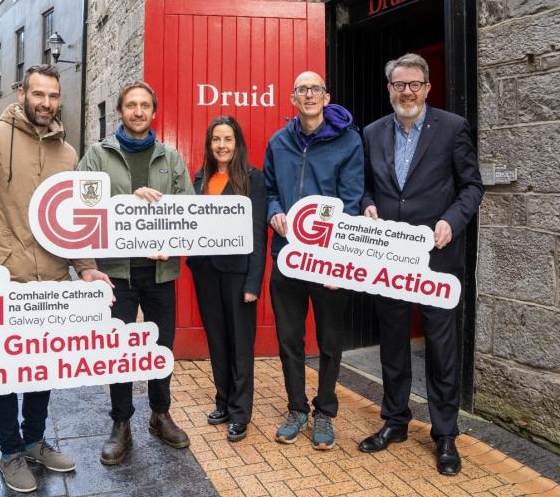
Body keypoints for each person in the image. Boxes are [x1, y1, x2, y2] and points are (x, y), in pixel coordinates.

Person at [0, 64, 112, 493]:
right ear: (22, 94)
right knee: (2, 369)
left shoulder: (68, 154)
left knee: (41, 365)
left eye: (53, 96)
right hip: (2, 277)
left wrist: (86, 268)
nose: (46, 103)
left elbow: (71, 222)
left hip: (50, 279)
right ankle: (10, 451)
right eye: (39, 95)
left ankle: (33, 440)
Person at [358, 53, 484, 475]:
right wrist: (369, 206)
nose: (406, 91)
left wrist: (451, 220)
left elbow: (471, 186)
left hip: (437, 258)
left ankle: (445, 434)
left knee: (442, 347)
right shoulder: (373, 132)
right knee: (393, 343)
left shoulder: (451, 128)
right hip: (390, 258)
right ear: (389, 88)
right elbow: (365, 189)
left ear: (427, 87)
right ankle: (394, 421)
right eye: (399, 84)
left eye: (414, 84)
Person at [78, 81, 194, 465]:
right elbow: (82, 208)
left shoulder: (171, 158)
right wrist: (128, 201)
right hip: (116, 271)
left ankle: (160, 415)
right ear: (121, 112)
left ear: (154, 112)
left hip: (160, 271)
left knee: (162, 346)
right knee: (119, 349)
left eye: (145, 105)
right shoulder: (97, 156)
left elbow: (187, 211)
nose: (138, 112)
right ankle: (121, 423)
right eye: (131, 105)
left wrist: (173, 245)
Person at [264, 71, 364, 450]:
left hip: (328, 261)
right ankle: (296, 409)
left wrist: (339, 259)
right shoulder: (278, 142)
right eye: (302, 89)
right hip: (287, 257)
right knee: (290, 338)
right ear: (293, 99)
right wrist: (274, 212)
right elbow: (270, 191)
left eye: (316, 89)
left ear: (326, 97)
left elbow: (352, 201)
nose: (309, 95)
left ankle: (325, 412)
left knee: (329, 340)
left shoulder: (349, 142)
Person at [186, 116, 267, 442]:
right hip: (206, 272)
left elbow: (259, 234)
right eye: (216, 139)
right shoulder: (200, 178)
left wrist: (253, 283)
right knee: (217, 341)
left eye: (228, 139)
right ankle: (222, 401)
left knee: (240, 345)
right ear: (209, 144)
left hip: (238, 274)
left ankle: (239, 412)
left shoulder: (253, 179)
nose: (221, 145)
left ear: (237, 144)